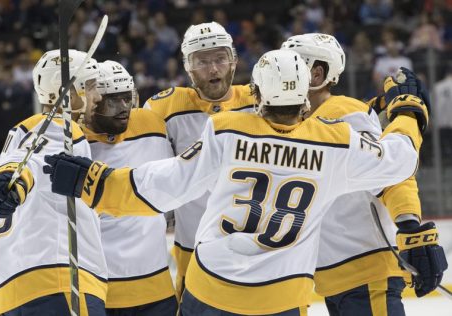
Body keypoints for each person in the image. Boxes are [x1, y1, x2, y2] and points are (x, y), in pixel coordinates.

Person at [44, 49, 426, 315]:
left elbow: (167, 183)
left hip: (214, 285)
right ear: (305, 99)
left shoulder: (228, 130)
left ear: (256, 93)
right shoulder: (335, 142)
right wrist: (408, 111)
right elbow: (401, 157)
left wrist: (93, 182)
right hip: (285, 292)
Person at [281, 33, 448, 315]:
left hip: (364, 273)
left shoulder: (344, 112)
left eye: (290, 66)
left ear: (316, 73)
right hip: (332, 277)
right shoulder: (298, 120)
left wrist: (409, 225)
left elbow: (391, 172)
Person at [0, 49, 108, 316]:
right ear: (69, 93)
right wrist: (16, 181)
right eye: (92, 86)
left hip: (7, 295)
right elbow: (30, 165)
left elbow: (19, 164)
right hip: (58, 284)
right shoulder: (63, 129)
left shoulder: (23, 133)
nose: (99, 97)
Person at [143, 21, 255, 297]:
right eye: (202, 61)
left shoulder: (259, 100)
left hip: (254, 248)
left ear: (234, 61)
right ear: (187, 67)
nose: (213, 69)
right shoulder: (164, 108)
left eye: (220, 59)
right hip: (193, 250)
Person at [84, 60, 177, 315]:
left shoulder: (153, 123)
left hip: (157, 287)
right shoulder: (75, 143)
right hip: (98, 290)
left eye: (127, 98)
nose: (124, 108)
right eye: (113, 101)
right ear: (93, 101)